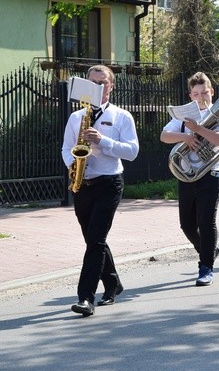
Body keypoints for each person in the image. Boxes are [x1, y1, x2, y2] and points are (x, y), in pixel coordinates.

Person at [63, 65, 139, 316]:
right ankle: (113, 282)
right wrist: (74, 165)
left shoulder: (121, 116)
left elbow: (131, 152)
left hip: (109, 182)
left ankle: (86, 298)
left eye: (103, 82)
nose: (98, 86)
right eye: (93, 82)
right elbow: (66, 148)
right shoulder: (76, 117)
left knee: (95, 239)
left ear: (111, 86)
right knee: (93, 239)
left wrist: (102, 141)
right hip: (82, 183)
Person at [160, 72, 219, 286]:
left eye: (204, 92)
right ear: (190, 95)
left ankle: (206, 267)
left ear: (211, 92)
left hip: (211, 174)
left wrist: (199, 129)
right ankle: (208, 250)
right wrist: (186, 137)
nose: (200, 97)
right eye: (196, 93)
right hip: (188, 174)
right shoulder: (184, 115)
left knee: (206, 221)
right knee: (187, 225)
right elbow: (164, 136)